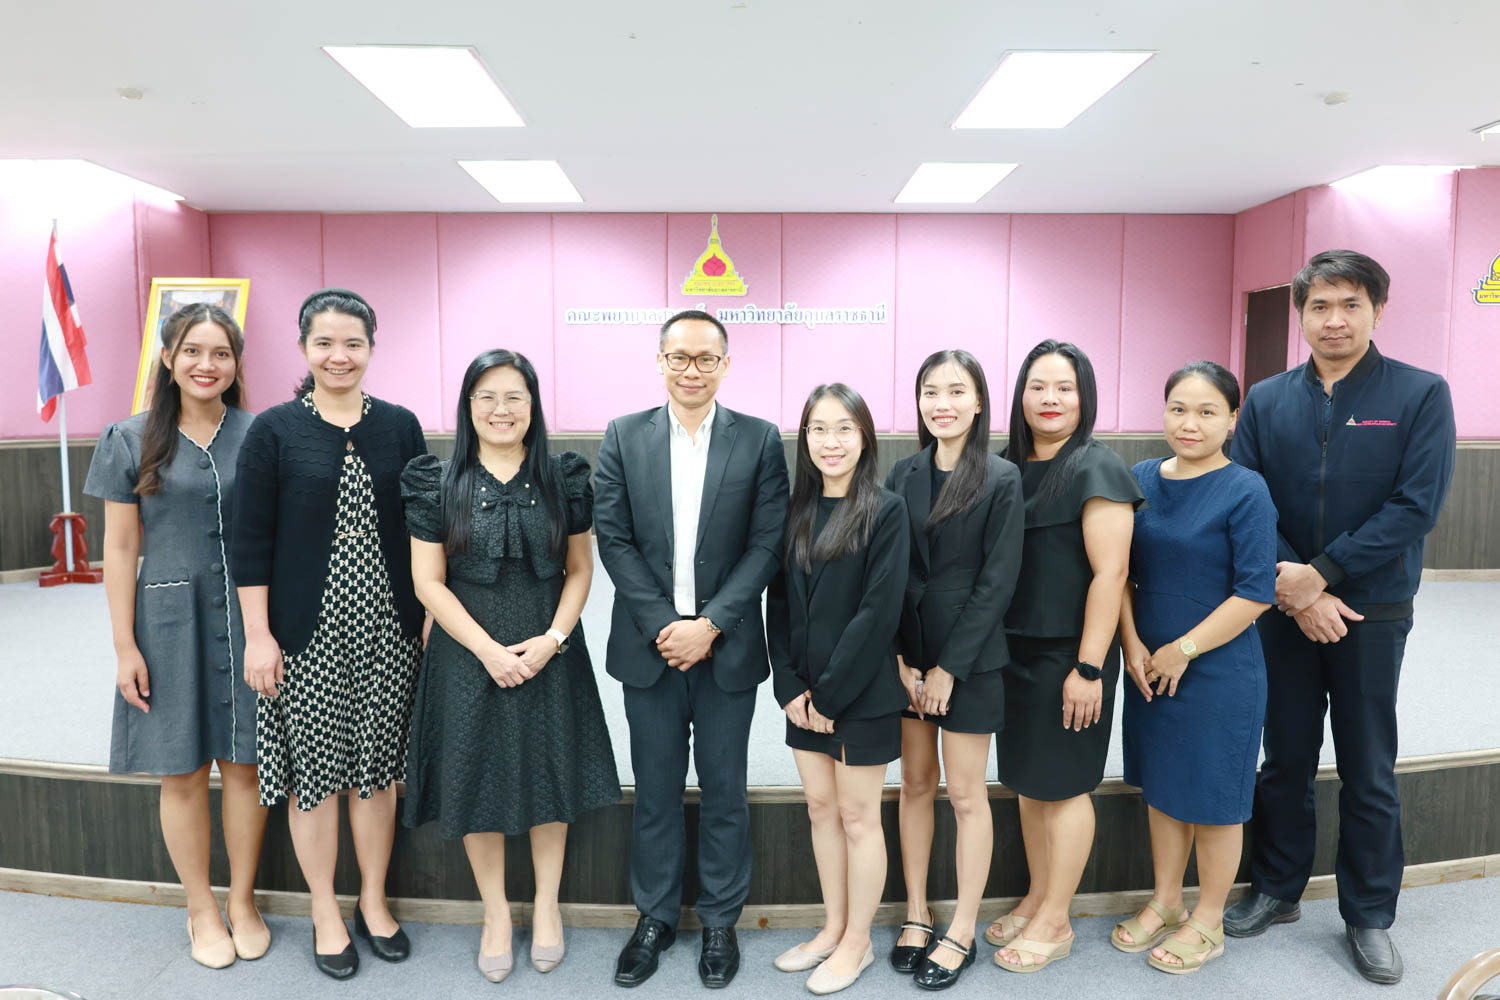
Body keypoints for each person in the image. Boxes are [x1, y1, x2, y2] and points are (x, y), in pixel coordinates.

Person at [1224, 250, 1456, 985]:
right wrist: (1297, 589)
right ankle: (1277, 888)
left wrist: (1321, 575)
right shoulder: (1267, 400)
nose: (1334, 320)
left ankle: (1370, 913)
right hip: (1283, 606)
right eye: (1320, 306)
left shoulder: (1420, 393)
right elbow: (1247, 499)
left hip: (1372, 607)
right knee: (1285, 756)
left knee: (1367, 764)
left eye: (1350, 304)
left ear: (1377, 310)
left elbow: (1416, 506)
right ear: (1301, 314)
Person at [401, 349, 621, 982]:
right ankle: (496, 914)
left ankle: (547, 906)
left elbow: (579, 569)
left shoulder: (564, 477)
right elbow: (427, 582)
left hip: (549, 649)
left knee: (552, 771)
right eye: (487, 397)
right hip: (467, 653)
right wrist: (487, 651)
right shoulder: (435, 481)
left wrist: (553, 638)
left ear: (533, 405)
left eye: (514, 397)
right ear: (468, 405)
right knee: (475, 778)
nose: (501, 409)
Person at [232, 288, 428, 981]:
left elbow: (425, 528)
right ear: (303, 348)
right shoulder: (275, 430)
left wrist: (428, 614)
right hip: (303, 633)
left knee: (377, 771)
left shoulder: (400, 426)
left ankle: (373, 899)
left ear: (371, 348)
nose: (339, 355)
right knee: (314, 776)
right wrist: (259, 636)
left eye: (353, 343)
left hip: (389, 627)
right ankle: (324, 909)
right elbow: (249, 542)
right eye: (324, 343)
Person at [594, 309, 789, 989]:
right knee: (655, 790)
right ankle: (653, 917)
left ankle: (719, 921)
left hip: (725, 648)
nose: (692, 370)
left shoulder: (759, 440)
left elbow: (767, 543)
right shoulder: (623, 436)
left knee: (725, 789)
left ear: (726, 364)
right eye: (679, 357)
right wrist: (665, 626)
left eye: (706, 358)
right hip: (648, 649)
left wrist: (709, 625)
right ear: (660, 361)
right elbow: (614, 539)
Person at [84, 303, 269, 969]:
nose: (206, 365)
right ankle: (200, 908)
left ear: (236, 363)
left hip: (250, 620)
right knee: (183, 770)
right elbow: (119, 546)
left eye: (220, 353)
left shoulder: (261, 433)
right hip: (168, 622)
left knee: (246, 765)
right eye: (193, 351)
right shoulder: (129, 438)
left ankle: (242, 901)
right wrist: (124, 646)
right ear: (168, 358)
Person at [1113, 361, 1276, 975]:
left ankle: (1208, 918)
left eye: (1207, 411)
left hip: (1218, 669)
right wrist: (1132, 644)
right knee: (1162, 787)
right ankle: (1165, 900)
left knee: (1214, 797)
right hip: (1147, 666)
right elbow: (1119, 573)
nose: (1189, 423)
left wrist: (1182, 650)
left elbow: (1255, 592)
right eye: (1178, 408)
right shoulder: (1140, 478)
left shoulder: (1246, 489)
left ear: (1232, 420)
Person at [987, 339, 1143, 974]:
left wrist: (1088, 668)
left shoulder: (1097, 469)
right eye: (1037, 386)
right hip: (1011, 653)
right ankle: (1036, 896)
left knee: (1066, 787)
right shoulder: (1004, 465)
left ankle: (1057, 918)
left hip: (1069, 657)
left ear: (1085, 397)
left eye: (1065, 388)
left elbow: (1112, 575)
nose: (1049, 399)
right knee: (1028, 785)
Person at [883, 350, 1023, 989]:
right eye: (930, 392)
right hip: (909, 657)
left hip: (970, 660)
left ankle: (962, 927)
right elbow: (888, 569)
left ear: (978, 402)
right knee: (914, 785)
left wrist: (947, 669)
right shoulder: (902, 472)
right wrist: (902, 658)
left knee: (966, 795)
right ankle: (917, 913)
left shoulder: (1000, 476)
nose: (942, 403)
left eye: (956, 391)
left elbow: (997, 583)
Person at [765, 384, 908, 995]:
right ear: (805, 439)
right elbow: (777, 606)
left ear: (865, 438)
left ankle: (858, 943)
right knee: (821, 810)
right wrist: (789, 687)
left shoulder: (886, 510)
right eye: (818, 429)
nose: (831, 441)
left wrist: (827, 697)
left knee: (857, 817)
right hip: (802, 697)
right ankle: (832, 928)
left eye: (844, 428)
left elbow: (878, 614)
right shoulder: (794, 511)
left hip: (860, 695)